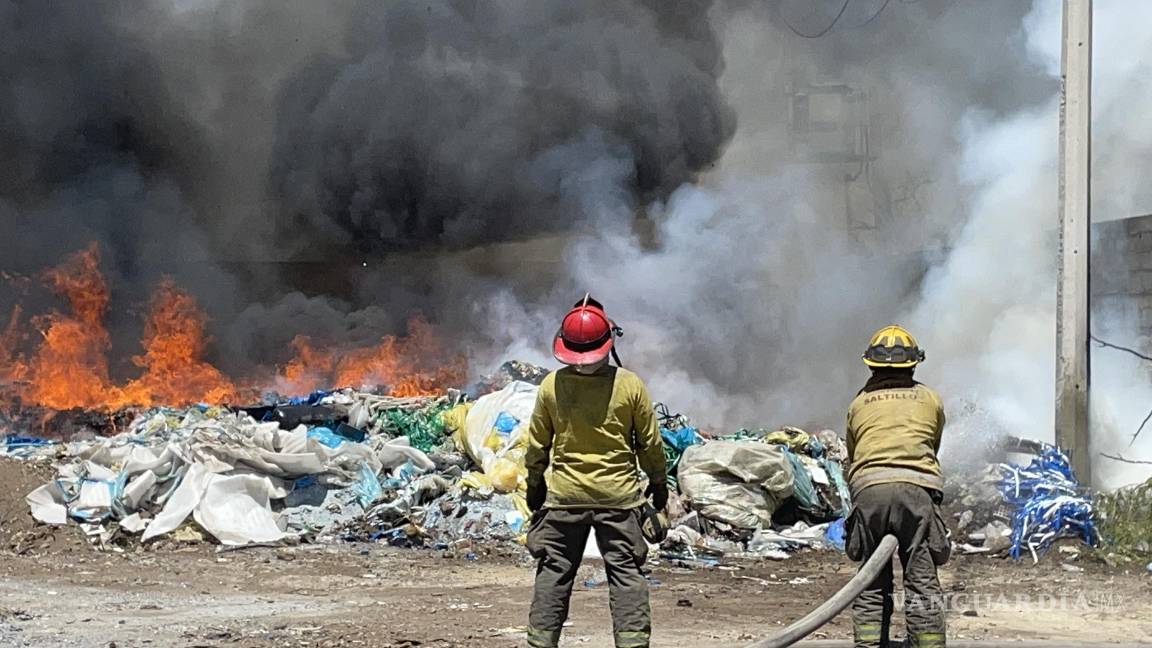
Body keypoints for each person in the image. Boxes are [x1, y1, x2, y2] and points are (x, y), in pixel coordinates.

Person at [524, 295, 667, 648]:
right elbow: (650, 443)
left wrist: (534, 484)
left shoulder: (551, 386)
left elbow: (536, 447)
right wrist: (659, 482)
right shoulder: (629, 385)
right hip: (619, 500)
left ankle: (541, 643)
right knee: (625, 573)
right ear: (610, 341)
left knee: (554, 572)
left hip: (564, 499)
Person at [845, 325, 951, 648]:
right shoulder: (930, 399)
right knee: (920, 577)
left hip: (870, 492)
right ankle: (929, 645)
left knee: (870, 580)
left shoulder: (858, 404)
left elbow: (854, 452)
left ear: (870, 365)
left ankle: (868, 644)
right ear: (913, 364)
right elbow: (932, 444)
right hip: (916, 491)